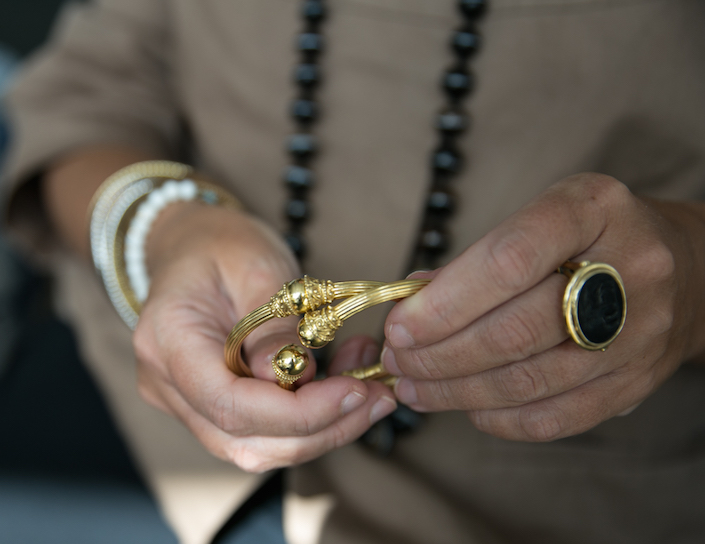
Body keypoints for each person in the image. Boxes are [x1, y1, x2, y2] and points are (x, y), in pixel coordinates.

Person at [3, 0, 705, 543]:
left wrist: (688, 268)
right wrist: (168, 229)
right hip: (137, 439)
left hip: (583, 493)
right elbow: (86, 95)